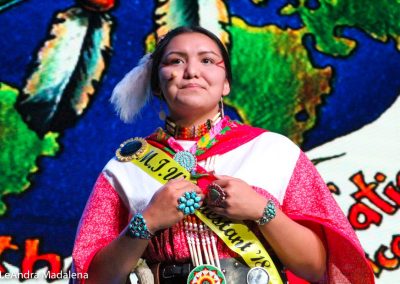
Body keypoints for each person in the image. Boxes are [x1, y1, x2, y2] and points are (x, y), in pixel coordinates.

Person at [71, 26, 374, 284]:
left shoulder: (274, 150)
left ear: (226, 82)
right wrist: (146, 222)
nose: (191, 71)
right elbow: (92, 278)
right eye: (175, 61)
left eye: (207, 60)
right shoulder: (125, 166)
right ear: (157, 85)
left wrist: (262, 210)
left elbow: (318, 268)